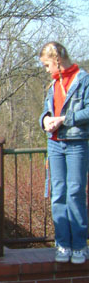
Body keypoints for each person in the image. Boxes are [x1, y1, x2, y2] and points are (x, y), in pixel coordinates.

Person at [39, 41, 89, 264]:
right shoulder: (52, 85)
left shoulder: (83, 79)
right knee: (58, 192)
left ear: (58, 60)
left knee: (75, 192)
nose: (47, 70)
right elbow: (46, 111)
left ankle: (79, 245)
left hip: (77, 142)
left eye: (48, 65)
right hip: (55, 144)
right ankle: (62, 244)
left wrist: (64, 119)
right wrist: (46, 120)